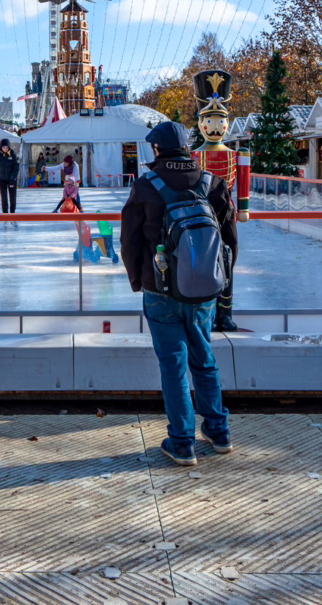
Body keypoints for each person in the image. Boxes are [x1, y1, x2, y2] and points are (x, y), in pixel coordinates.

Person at [120, 121, 238, 467]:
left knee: (172, 365)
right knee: (204, 358)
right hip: (203, 291)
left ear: (157, 150)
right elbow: (229, 240)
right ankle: (219, 432)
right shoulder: (212, 183)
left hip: (160, 290)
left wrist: (137, 280)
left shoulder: (145, 186)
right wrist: (221, 285)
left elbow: (129, 242)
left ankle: (183, 442)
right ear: (188, 147)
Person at [0, 138, 19, 213]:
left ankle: (12, 212)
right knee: (4, 197)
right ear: (1, 147)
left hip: (12, 178)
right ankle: (5, 213)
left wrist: (13, 179)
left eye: (7, 147)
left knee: (12, 196)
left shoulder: (13, 153)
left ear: (9, 147)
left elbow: (16, 167)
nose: (5, 149)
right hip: (2, 178)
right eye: (3, 147)